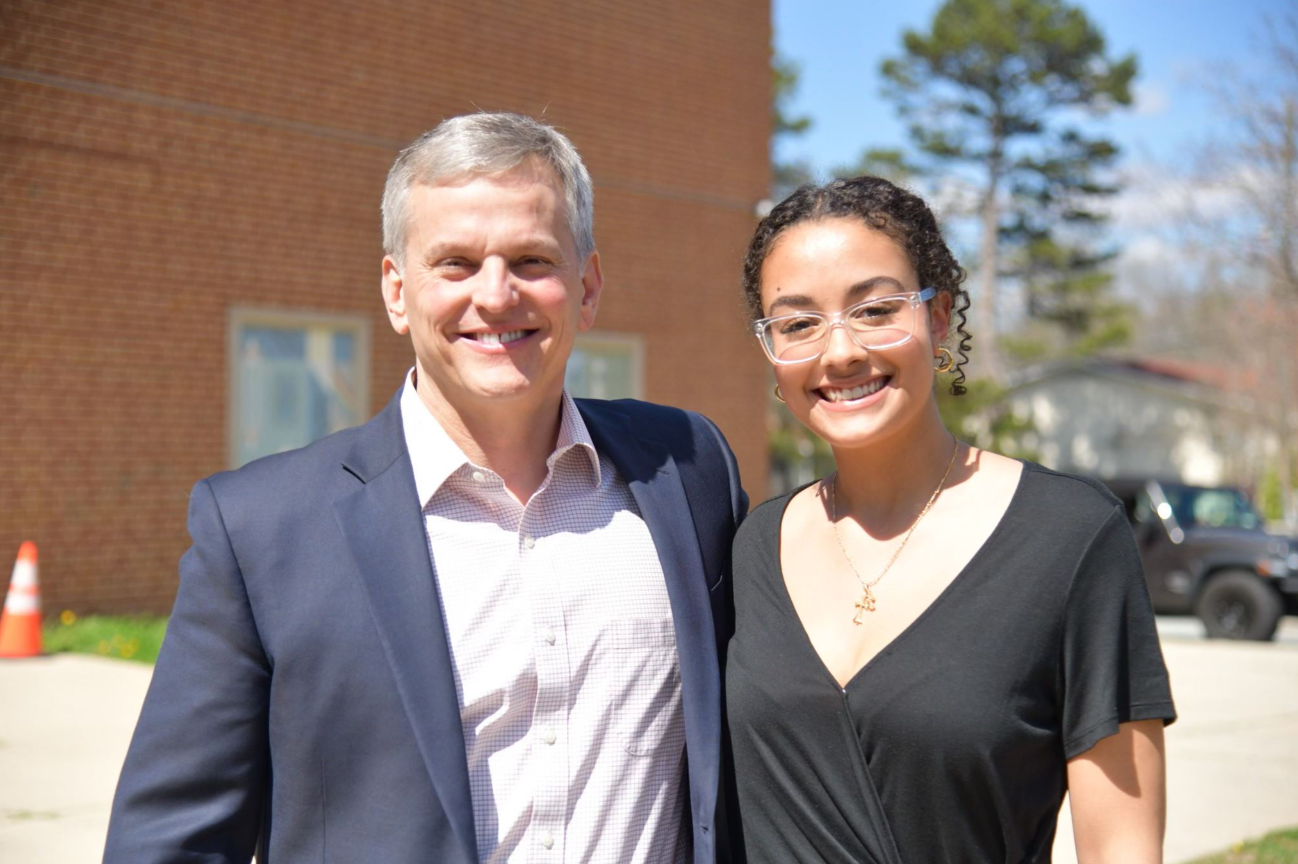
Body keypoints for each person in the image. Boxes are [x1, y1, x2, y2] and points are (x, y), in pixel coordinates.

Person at [104, 113, 747, 864]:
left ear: (588, 287)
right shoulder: (259, 529)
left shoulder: (688, 468)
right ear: (397, 290)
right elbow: (170, 842)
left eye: (532, 259)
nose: (497, 295)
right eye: (457, 263)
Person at [724, 176, 1176, 864]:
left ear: (938, 319)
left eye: (876, 309)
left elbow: (1123, 848)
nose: (839, 350)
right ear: (772, 352)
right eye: (798, 323)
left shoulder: (1070, 537)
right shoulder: (754, 544)